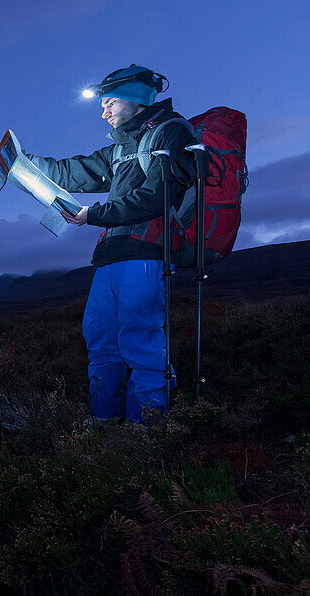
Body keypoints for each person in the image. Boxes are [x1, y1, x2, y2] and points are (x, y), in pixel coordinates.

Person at [27, 64, 196, 424]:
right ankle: (104, 426)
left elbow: (157, 197)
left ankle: (144, 434)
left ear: (135, 100)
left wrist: (94, 214)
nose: (104, 112)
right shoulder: (119, 149)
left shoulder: (172, 132)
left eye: (110, 103)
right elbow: (72, 171)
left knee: (140, 342)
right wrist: (21, 163)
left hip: (147, 254)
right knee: (101, 341)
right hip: (110, 257)